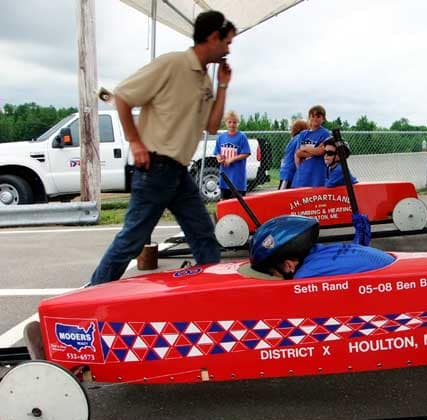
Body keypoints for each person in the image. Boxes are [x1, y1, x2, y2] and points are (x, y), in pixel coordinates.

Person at [89, 11, 236, 285]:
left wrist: (223, 86)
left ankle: (216, 297)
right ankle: (86, 301)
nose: (228, 49)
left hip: (179, 172)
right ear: (213, 37)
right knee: (131, 242)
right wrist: (135, 141)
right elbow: (122, 97)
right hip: (154, 168)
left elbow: (213, 126)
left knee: (204, 235)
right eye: (227, 42)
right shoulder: (172, 64)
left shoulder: (204, 81)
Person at [250, 215, 394, 279]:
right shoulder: (319, 251)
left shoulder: (305, 275)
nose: (275, 278)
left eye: (273, 275)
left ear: (289, 265)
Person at [291, 105, 331, 188]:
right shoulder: (303, 134)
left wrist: (305, 148)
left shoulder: (325, 134)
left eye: (318, 116)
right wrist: (315, 150)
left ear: (323, 119)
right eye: (313, 116)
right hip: (302, 174)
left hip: (317, 175)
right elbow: (298, 153)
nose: (315, 118)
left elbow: (322, 151)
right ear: (309, 117)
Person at [215, 110, 251, 198]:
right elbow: (217, 152)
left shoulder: (242, 137)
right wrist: (219, 158)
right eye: (229, 122)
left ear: (238, 123)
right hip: (225, 178)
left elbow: (246, 153)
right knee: (225, 203)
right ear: (226, 122)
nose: (232, 124)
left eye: (234, 122)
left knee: (238, 206)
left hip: (237, 179)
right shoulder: (221, 137)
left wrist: (232, 159)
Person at [278, 119, 308, 189]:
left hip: (287, 171)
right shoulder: (300, 138)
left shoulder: (294, 139)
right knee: (282, 196)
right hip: (289, 172)